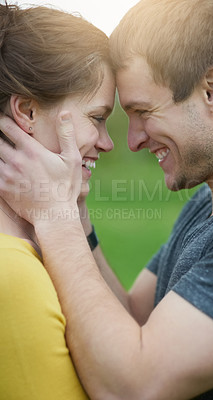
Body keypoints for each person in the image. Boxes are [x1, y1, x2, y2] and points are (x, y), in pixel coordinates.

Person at [0, 0, 213, 398]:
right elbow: (133, 321)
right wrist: (76, 214)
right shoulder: (211, 204)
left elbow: (132, 387)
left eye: (143, 111)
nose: (132, 140)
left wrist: (56, 220)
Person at [0, 2, 115, 399]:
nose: (108, 142)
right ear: (27, 111)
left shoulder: (33, 256)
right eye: (97, 118)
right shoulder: (13, 273)